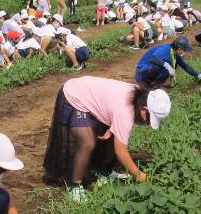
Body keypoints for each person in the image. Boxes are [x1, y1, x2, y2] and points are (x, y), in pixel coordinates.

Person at [43, 76, 171, 201]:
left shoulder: (138, 97)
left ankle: (106, 171)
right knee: (87, 143)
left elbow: (112, 108)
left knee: (110, 134)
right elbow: (121, 151)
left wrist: (111, 129)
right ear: (144, 109)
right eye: (149, 118)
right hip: (74, 95)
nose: (147, 122)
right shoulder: (126, 111)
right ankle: (74, 186)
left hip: (87, 93)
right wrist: (138, 174)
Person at [134, 36, 201, 86]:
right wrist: (167, 65)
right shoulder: (165, 49)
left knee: (173, 64)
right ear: (179, 49)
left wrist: (199, 75)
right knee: (159, 65)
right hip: (141, 72)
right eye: (184, 50)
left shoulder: (174, 53)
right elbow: (152, 59)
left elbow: (185, 66)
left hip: (148, 70)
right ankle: (147, 83)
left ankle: (156, 84)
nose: (185, 52)